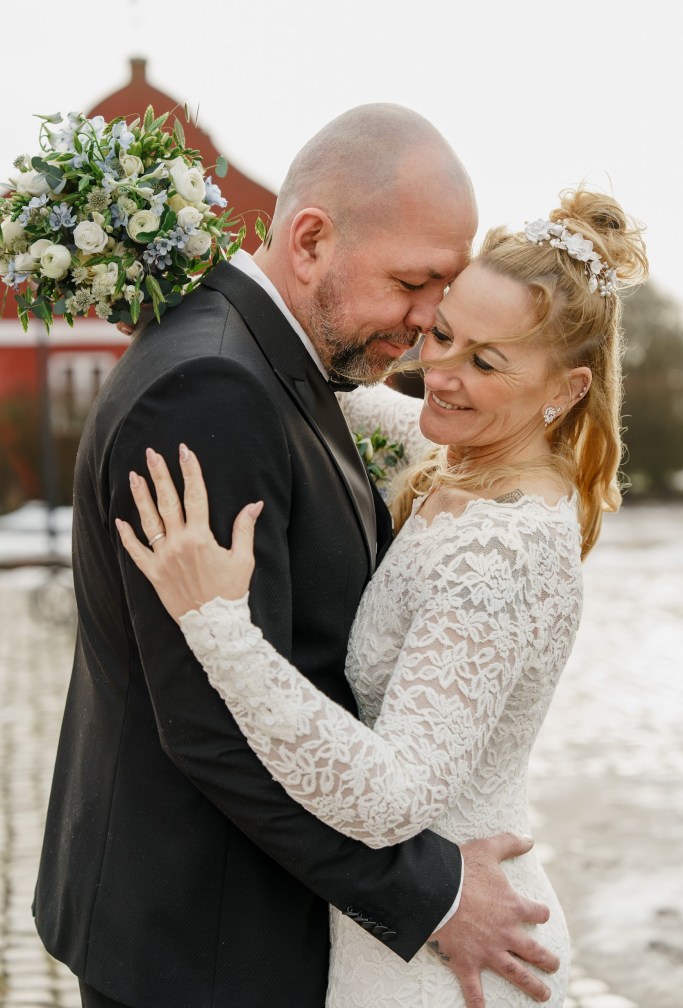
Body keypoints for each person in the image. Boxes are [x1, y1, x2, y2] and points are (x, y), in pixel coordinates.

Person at [33, 104, 559, 1008]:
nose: (432, 319)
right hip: (209, 943)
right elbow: (213, 725)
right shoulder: (215, 389)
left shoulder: (270, 360)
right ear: (310, 239)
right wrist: (434, 900)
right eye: (415, 281)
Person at [116, 186, 648, 1006]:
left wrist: (217, 623)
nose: (437, 371)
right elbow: (336, 388)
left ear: (567, 390)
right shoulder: (470, 458)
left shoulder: (500, 547)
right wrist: (177, 283)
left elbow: (390, 798)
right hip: (393, 938)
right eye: (442, 333)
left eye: (485, 361)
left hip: (449, 960)